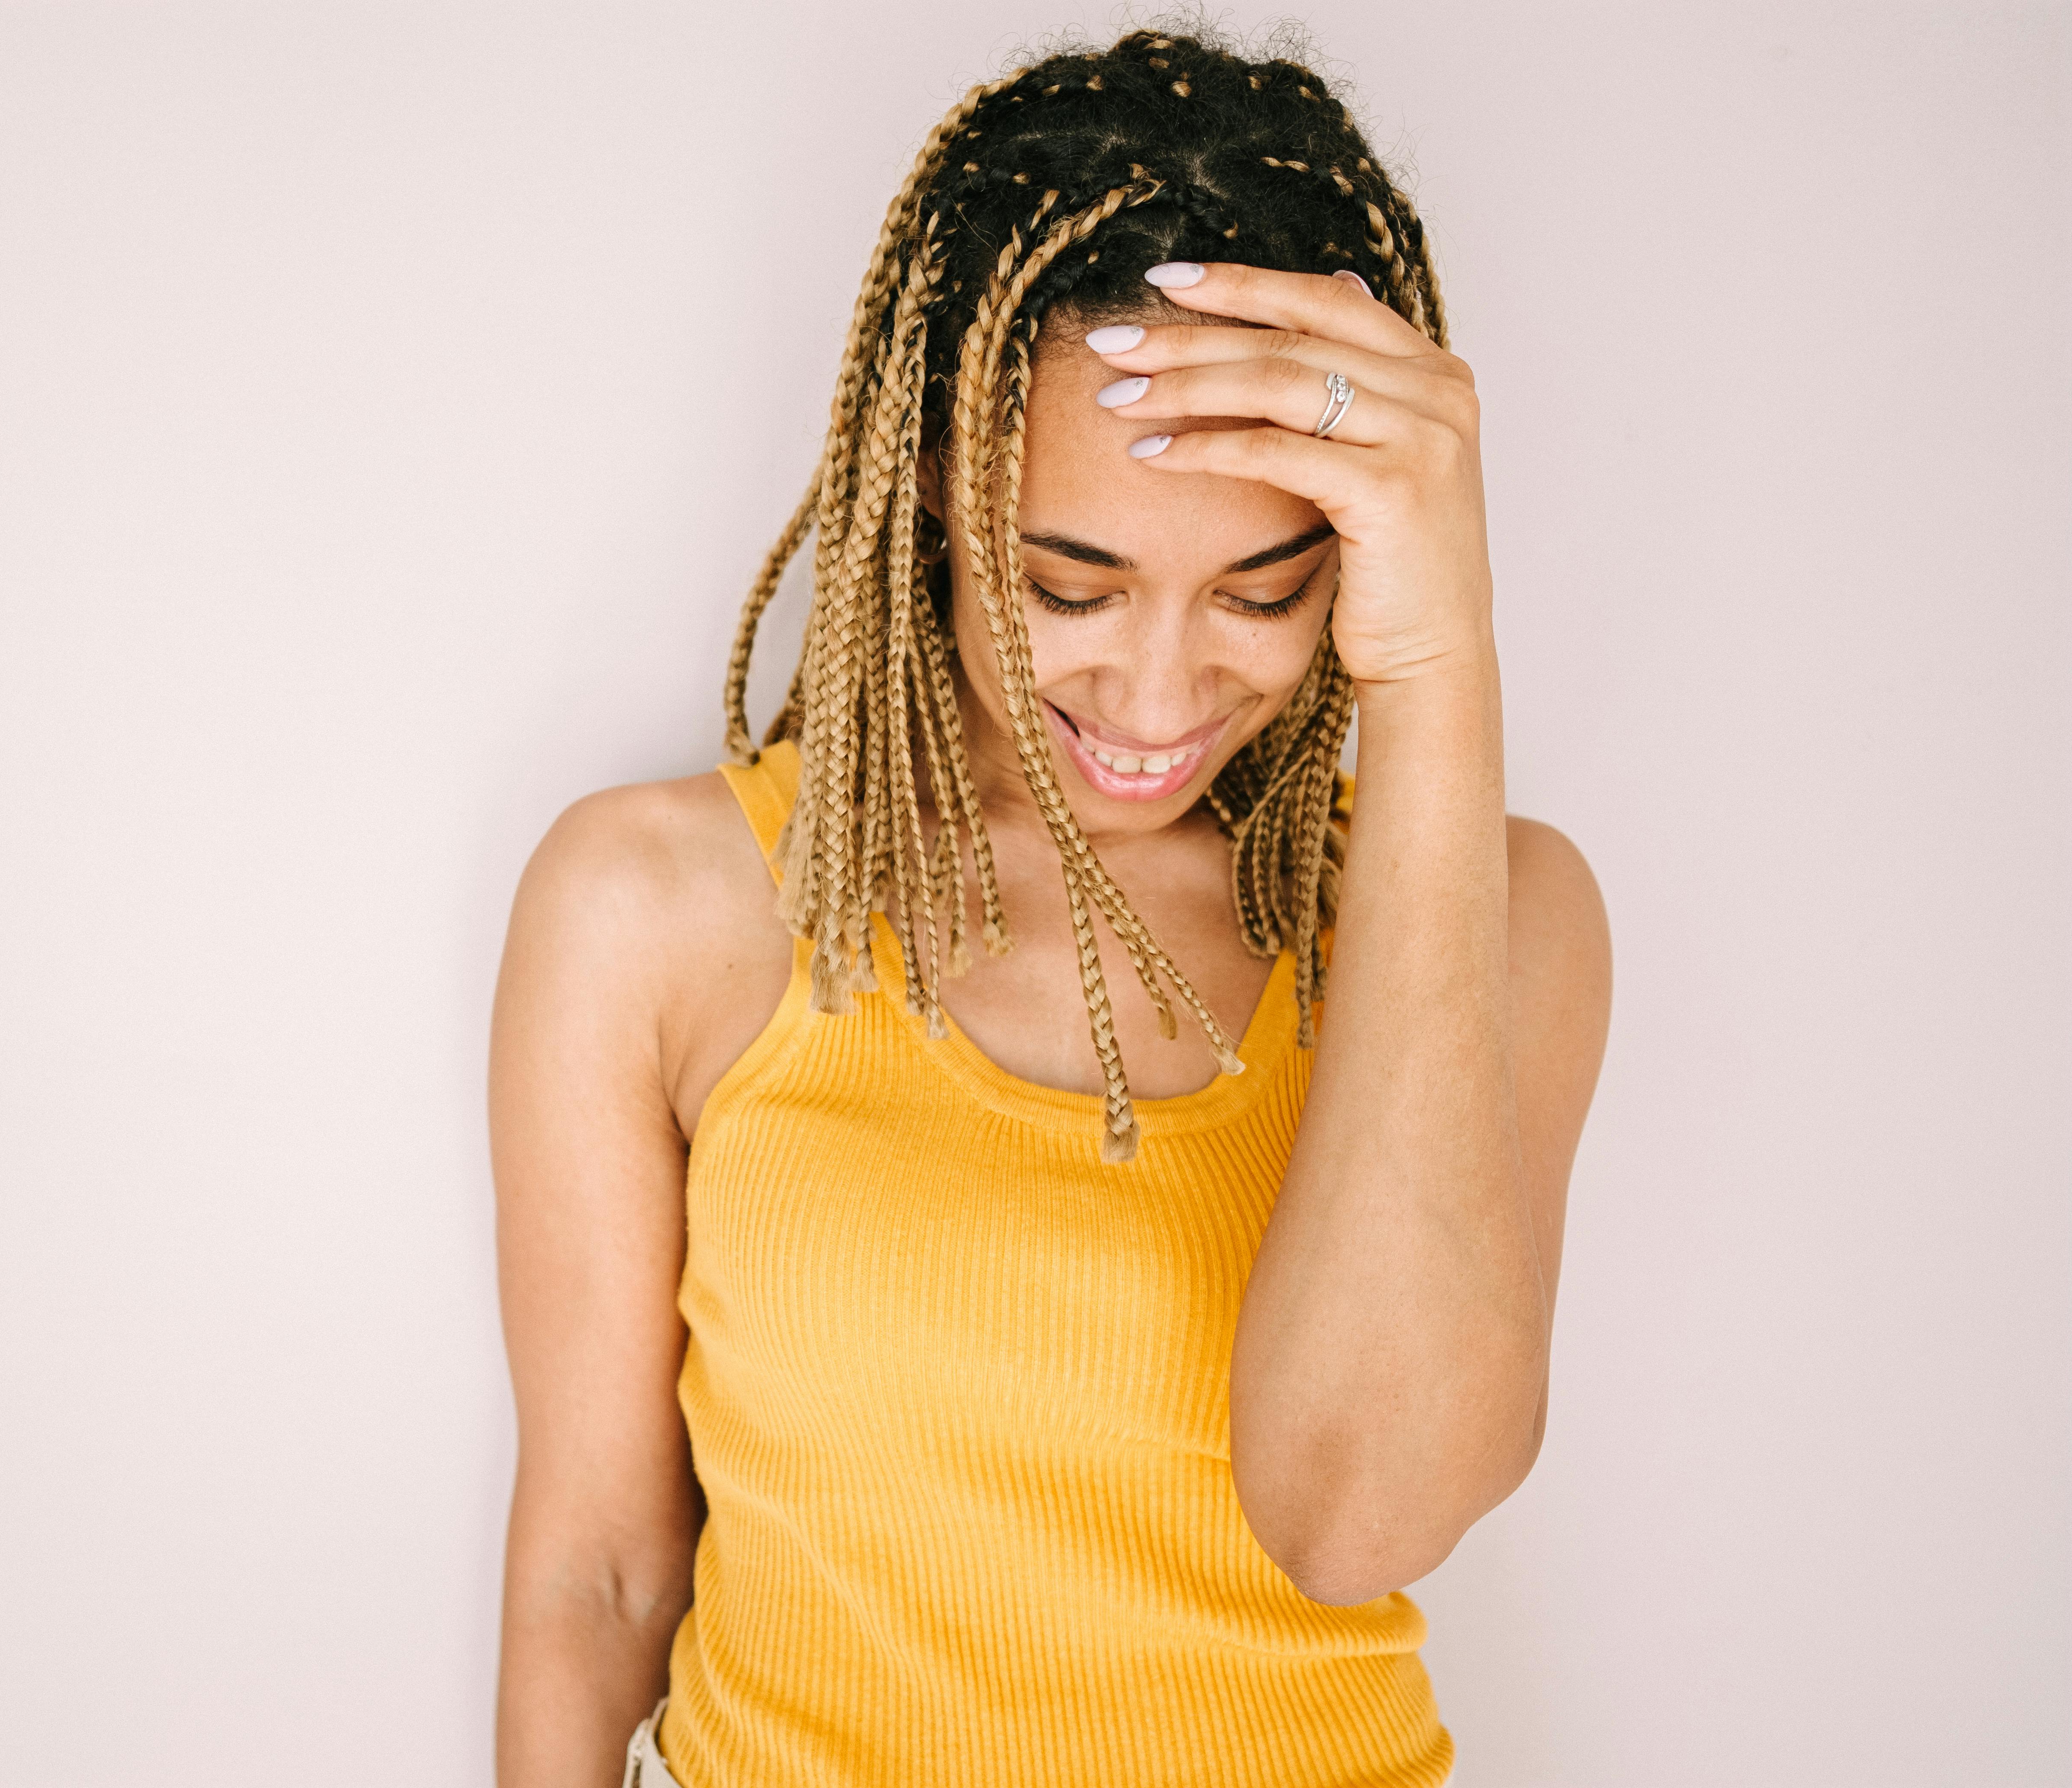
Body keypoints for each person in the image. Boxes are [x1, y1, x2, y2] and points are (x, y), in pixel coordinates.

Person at [490, 24, 1611, 1788]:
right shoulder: (658, 909)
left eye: (1263, 589)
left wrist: (1438, 663)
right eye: (1064, 587)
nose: (1157, 696)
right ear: (930, 485)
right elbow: (600, 1566)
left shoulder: (1501, 912)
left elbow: (1358, 1510)